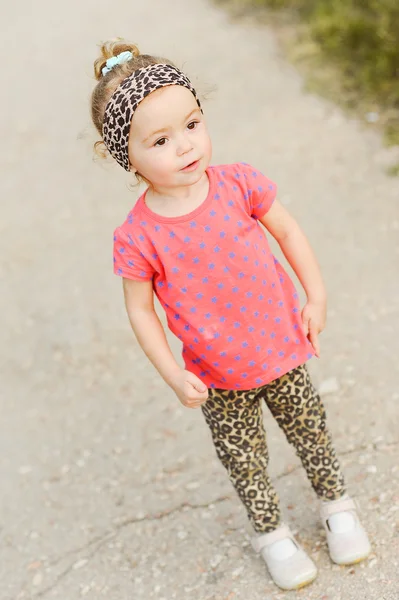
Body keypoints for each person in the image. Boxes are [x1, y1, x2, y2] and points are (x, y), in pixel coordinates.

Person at [90, 40, 371, 591]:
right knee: (245, 460)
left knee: (311, 432)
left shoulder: (238, 183)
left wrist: (315, 296)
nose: (186, 146)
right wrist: (174, 374)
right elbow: (140, 311)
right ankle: (272, 535)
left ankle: (338, 506)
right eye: (161, 140)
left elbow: (287, 231)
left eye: (192, 124)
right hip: (217, 376)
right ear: (125, 155)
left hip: (282, 348)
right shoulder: (139, 235)